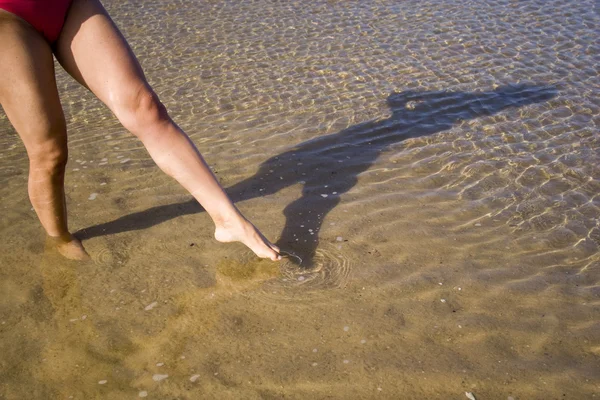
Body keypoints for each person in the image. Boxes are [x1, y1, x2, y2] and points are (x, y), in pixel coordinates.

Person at [0, 0, 281, 261]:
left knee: (145, 107)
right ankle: (59, 239)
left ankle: (227, 220)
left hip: (68, 5)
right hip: (7, 19)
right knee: (50, 152)